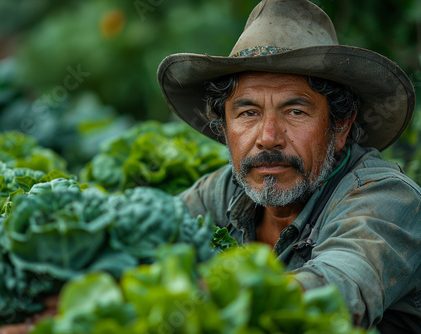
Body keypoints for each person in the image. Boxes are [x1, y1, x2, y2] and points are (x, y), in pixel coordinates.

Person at [157, 0, 421, 333]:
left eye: (295, 112)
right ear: (224, 129)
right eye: (248, 113)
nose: (269, 138)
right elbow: (144, 237)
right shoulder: (222, 193)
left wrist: (202, 297)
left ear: (340, 126)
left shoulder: (388, 199)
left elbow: (335, 294)